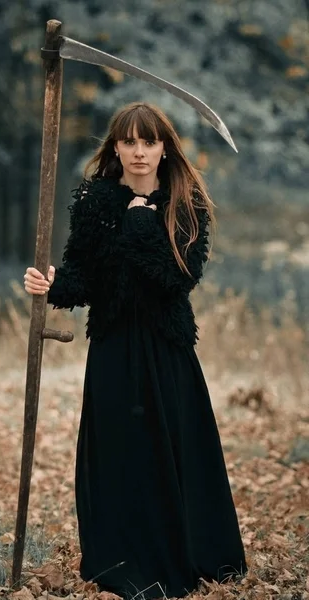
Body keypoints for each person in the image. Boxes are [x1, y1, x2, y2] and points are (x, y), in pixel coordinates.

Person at [24, 102, 247, 599]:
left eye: (149, 142)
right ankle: (122, 561)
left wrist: (142, 223)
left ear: (164, 147)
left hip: (166, 349)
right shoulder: (95, 202)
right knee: (120, 453)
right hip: (112, 347)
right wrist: (52, 283)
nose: (139, 151)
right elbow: (84, 275)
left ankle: (183, 556)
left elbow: (177, 280)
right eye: (129, 141)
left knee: (169, 454)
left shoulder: (184, 205)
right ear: (117, 147)